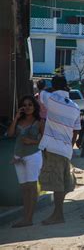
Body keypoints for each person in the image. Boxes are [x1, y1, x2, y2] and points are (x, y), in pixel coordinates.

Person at [38, 75, 81, 225]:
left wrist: (51, 88)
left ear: (54, 86)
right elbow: (76, 131)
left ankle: (58, 215)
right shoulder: (75, 106)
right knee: (61, 184)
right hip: (66, 149)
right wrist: (70, 145)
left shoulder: (50, 98)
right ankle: (58, 214)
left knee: (56, 184)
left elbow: (40, 92)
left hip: (53, 147)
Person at [6, 96, 44, 228]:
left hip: (33, 155)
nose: (27, 107)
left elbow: (45, 140)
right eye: (25, 105)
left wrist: (32, 141)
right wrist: (16, 118)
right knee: (24, 188)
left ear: (34, 107)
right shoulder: (18, 120)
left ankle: (29, 218)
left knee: (32, 187)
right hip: (18, 156)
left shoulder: (39, 121)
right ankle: (25, 217)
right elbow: (10, 134)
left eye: (30, 105)